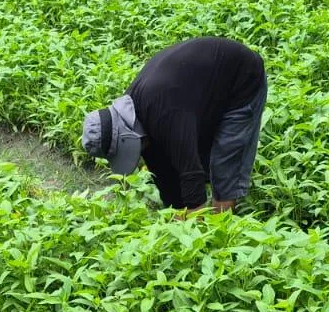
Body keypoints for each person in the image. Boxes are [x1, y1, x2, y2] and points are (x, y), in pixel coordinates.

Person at [80, 37, 267, 213]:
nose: (137, 155)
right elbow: (165, 179)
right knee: (187, 161)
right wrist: (176, 217)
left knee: (224, 167)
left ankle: (222, 237)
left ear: (128, 134)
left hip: (241, 80)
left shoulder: (163, 112)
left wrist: (195, 237)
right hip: (201, 93)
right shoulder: (135, 116)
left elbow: (191, 176)